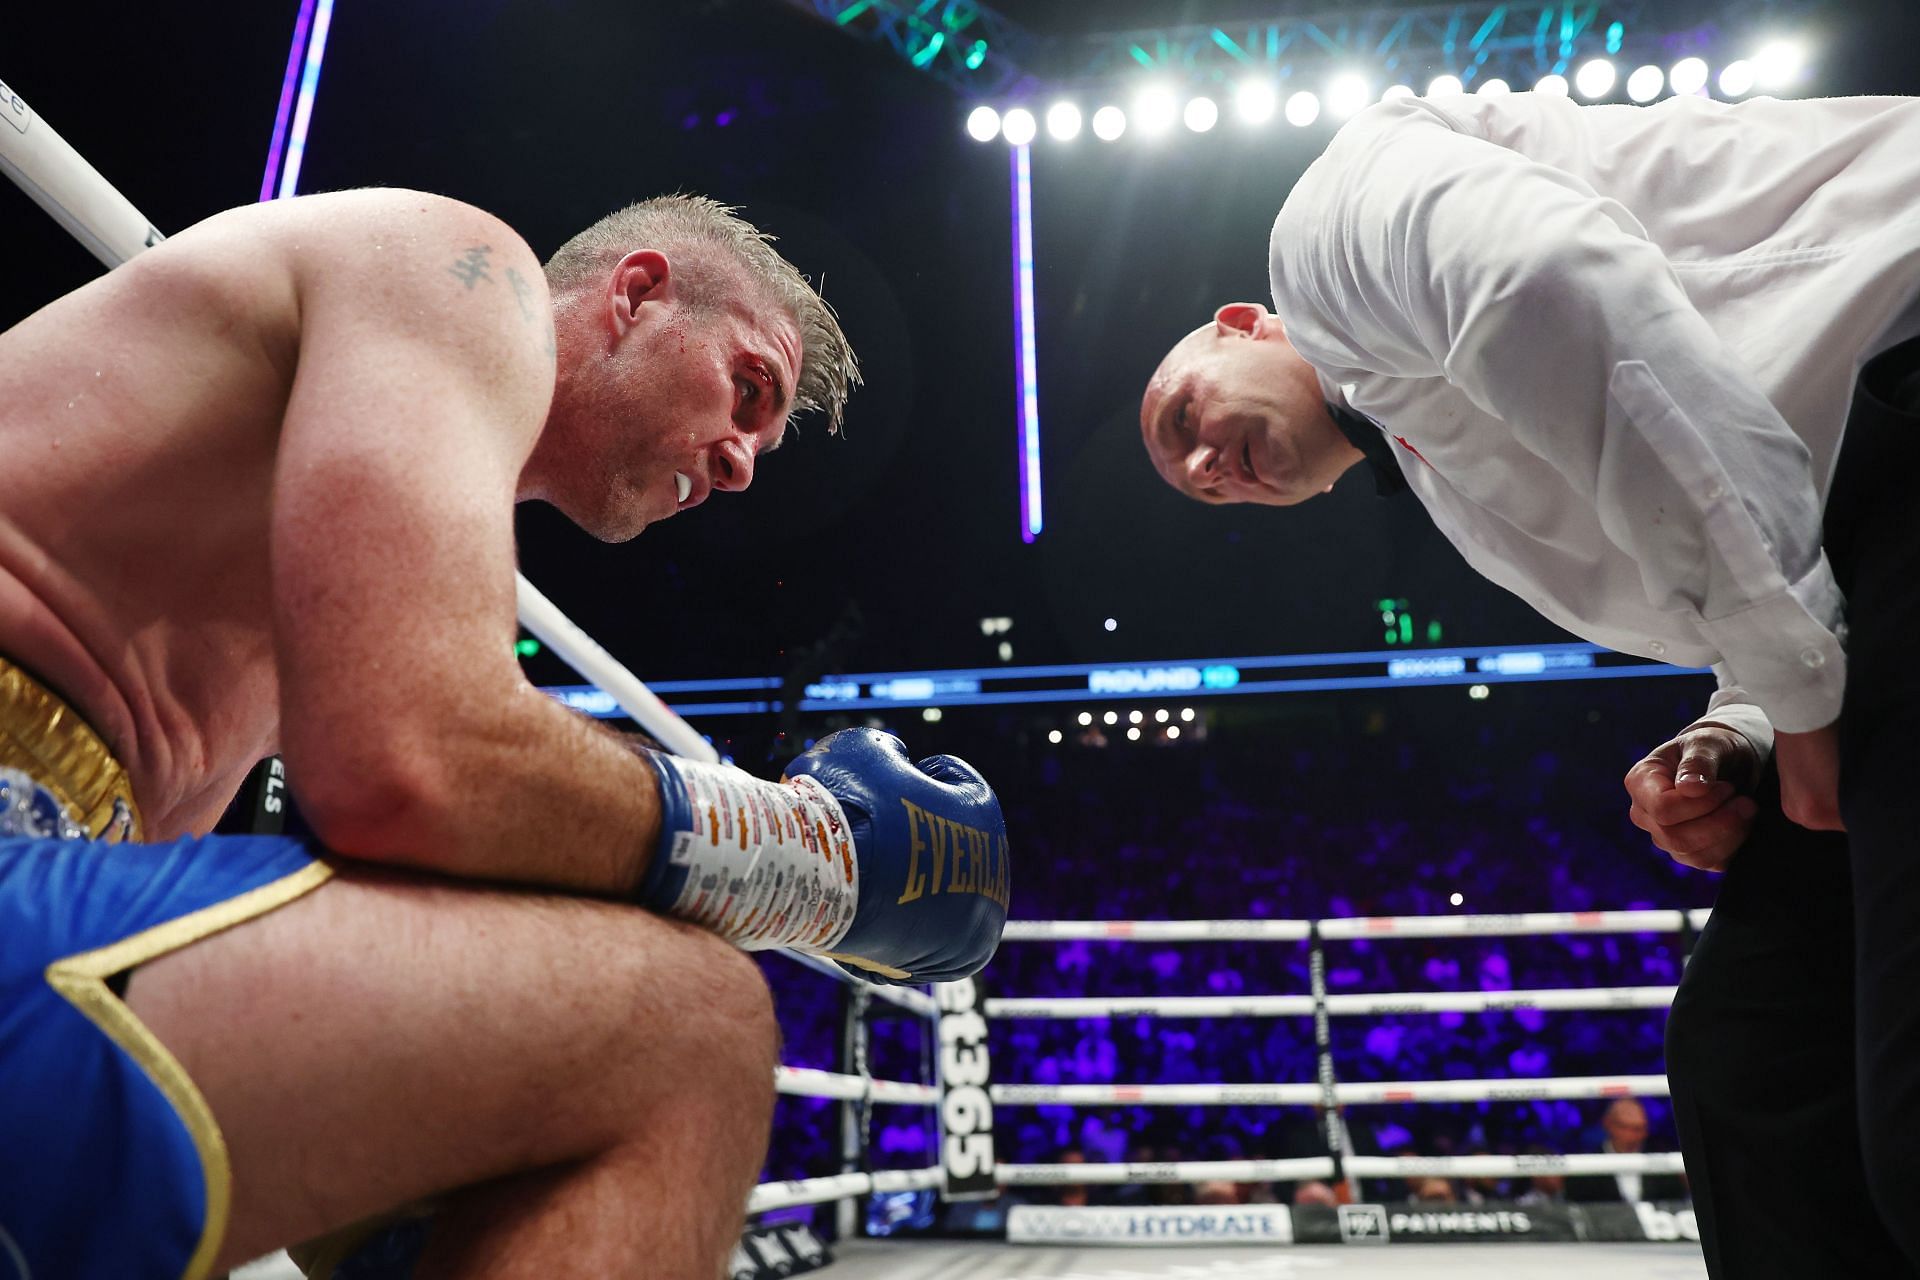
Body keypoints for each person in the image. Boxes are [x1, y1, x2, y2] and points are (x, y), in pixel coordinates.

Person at [0, 188, 1009, 1279]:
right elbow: (417, 763)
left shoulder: (347, 540)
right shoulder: (463, 269)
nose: (738, 466)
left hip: (56, 869)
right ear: (636, 294)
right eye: (745, 389)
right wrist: (813, 857)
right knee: (688, 1031)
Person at [1139, 89, 1920, 1277]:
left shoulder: (1332, 228)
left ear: (1243, 322)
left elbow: (1557, 288)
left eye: (1183, 414)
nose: (1206, 463)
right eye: (1197, 484)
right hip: (1869, 532)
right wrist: (1741, 728)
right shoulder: (1451, 482)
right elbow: (1766, 549)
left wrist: (1797, 688)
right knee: (1753, 1060)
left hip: (1904, 352)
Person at [1564, 1099, 1686, 1204]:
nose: (1632, 1136)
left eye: (1638, 1129)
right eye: (1625, 1127)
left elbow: (1674, 1201)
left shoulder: (1663, 1165)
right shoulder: (1586, 1167)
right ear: (1608, 1124)